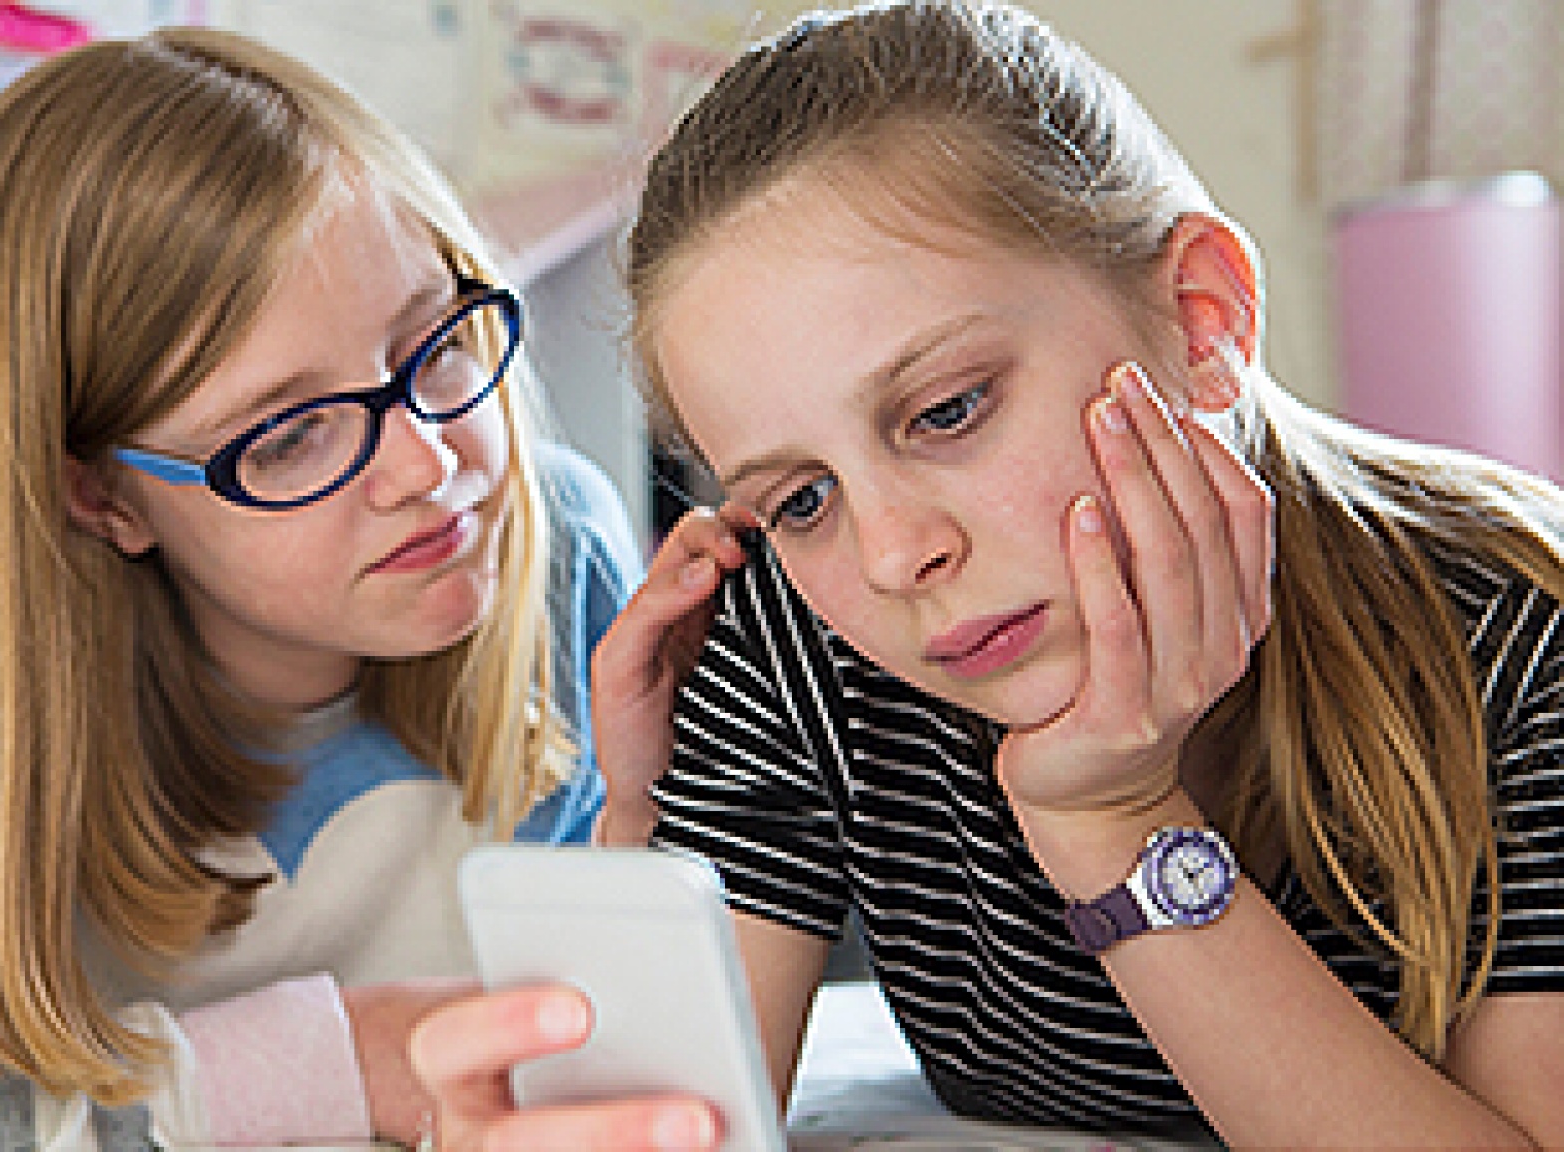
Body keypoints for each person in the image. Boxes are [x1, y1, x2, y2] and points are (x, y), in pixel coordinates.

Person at [412, 2, 1564, 1148]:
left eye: (947, 411)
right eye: (800, 499)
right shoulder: (797, 631)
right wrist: (638, 824)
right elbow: (658, 1129)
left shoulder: (1521, 642)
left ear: (1199, 318)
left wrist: (1113, 829)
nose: (893, 553)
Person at [0, 26, 647, 1151]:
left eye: (434, 345)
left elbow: (625, 1039)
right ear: (98, 498)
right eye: (293, 434)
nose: (430, 466)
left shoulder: (561, 548)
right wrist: (336, 1063)